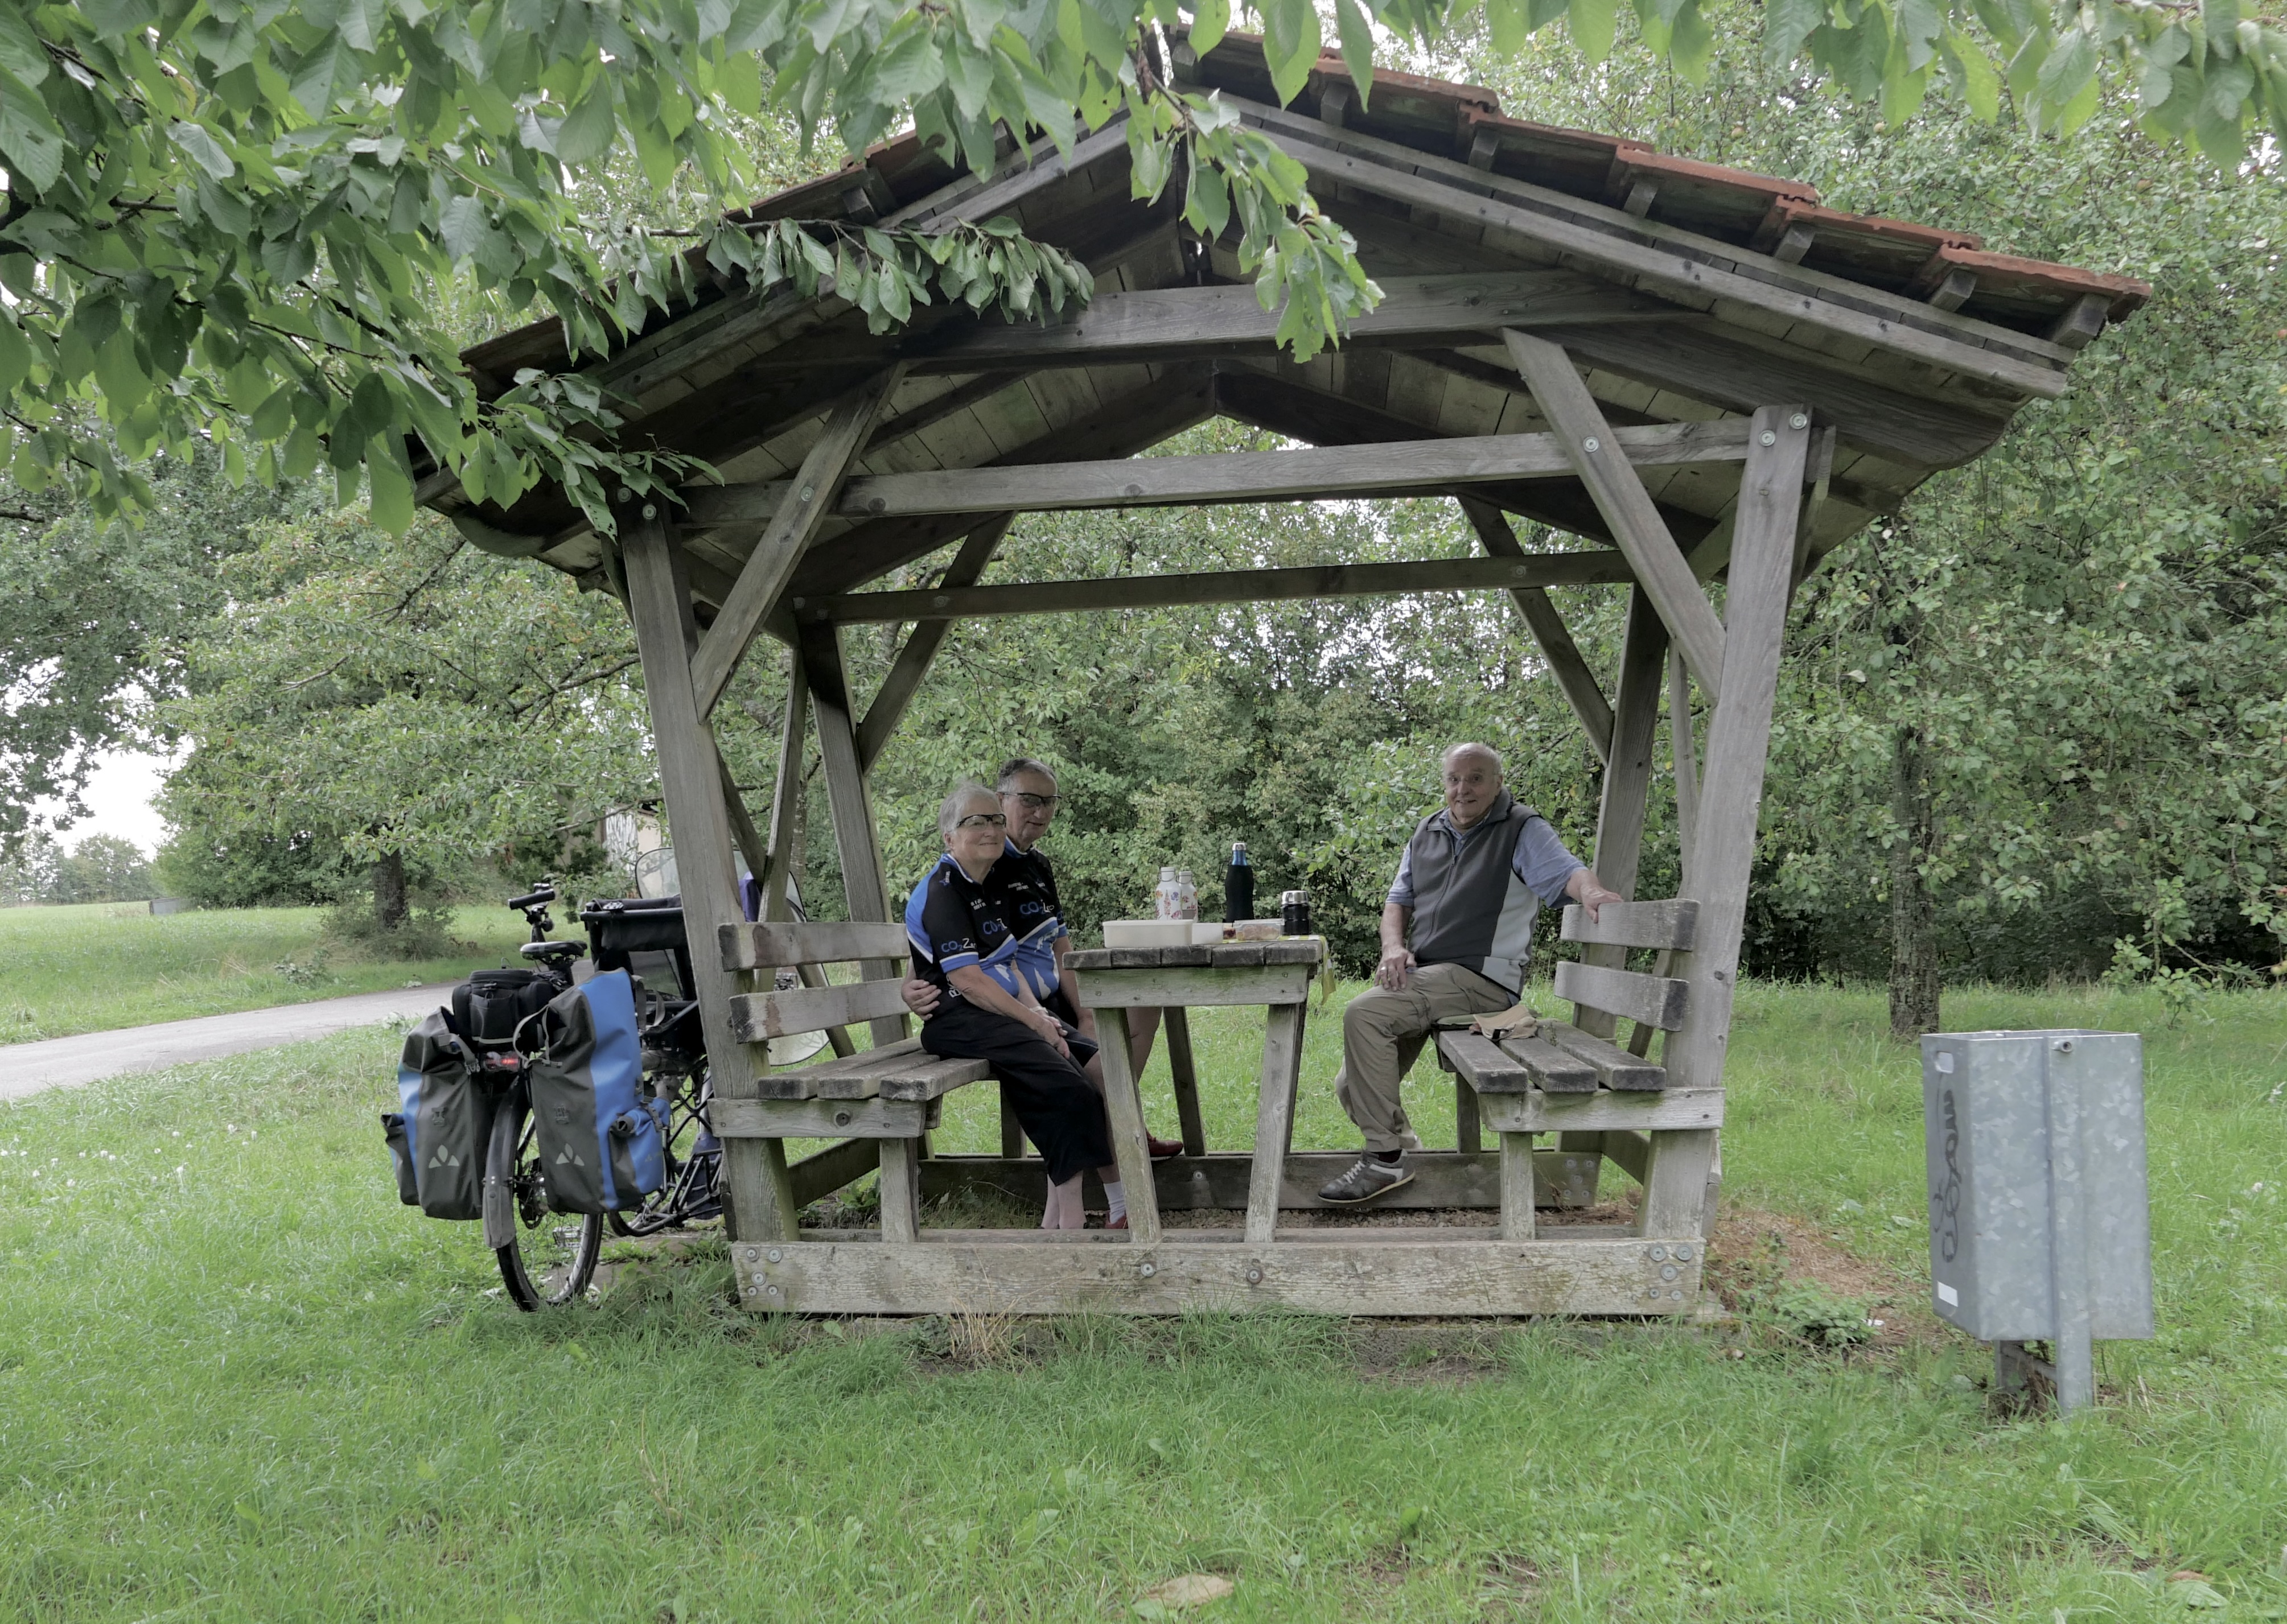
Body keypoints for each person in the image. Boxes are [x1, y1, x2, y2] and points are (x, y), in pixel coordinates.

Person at [1317, 742, 1624, 1205]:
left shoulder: (1521, 828)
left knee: (1364, 1014)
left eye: (1476, 778)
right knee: (1350, 1084)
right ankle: (1404, 1157)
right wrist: (1394, 946)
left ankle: (1383, 1162)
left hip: (1483, 980)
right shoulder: (1427, 832)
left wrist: (1593, 891)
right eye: (1455, 779)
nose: (1463, 789)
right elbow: (1397, 901)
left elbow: (1567, 872)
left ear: (1498, 783)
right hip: (1430, 976)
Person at [902, 756, 1184, 1158]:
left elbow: (1060, 941)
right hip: (1007, 1006)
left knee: (1145, 1004)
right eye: (1029, 799)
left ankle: (1120, 1122)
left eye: (1050, 802)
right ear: (1001, 801)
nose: (1040, 811)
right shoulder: (982, 858)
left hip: (1044, 997)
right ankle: (1117, 1135)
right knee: (1100, 1037)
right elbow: (939, 929)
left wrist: (1084, 1009)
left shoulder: (1037, 864)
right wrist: (909, 985)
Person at [905, 782, 1129, 1230]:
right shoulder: (944, 888)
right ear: (949, 837)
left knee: (1096, 1068)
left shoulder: (988, 883)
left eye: (994, 820)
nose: (989, 829)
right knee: (1068, 1087)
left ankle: (1062, 1218)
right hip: (958, 1018)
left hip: (997, 1010)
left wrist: (1039, 1013)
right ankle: (1069, 1221)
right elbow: (967, 981)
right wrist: (1034, 1021)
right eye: (974, 821)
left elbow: (1009, 965)